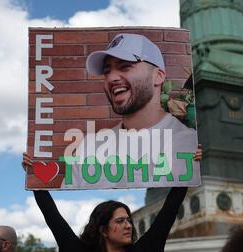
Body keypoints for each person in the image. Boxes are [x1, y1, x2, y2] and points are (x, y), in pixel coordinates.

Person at [22, 151, 201, 252]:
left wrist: (189, 167)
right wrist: (35, 178)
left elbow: (168, 213)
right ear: (103, 230)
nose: (129, 225)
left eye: (129, 220)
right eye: (120, 221)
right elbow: (54, 219)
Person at [60, 33, 200, 189]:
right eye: (107, 72)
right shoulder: (88, 149)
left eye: (125, 67)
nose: (111, 77)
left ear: (158, 76)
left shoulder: (191, 145)